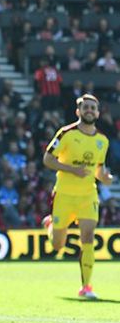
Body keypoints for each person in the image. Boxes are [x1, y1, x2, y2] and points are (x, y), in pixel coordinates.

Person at [42, 94, 112, 300]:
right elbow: (48, 159)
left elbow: (98, 169)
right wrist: (71, 169)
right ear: (78, 111)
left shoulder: (102, 141)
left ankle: (86, 286)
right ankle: (49, 226)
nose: (89, 110)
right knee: (58, 245)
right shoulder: (66, 134)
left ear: (98, 113)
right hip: (64, 194)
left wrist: (105, 178)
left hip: (87, 195)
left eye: (93, 108)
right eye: (86, 107)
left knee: (88, 237)